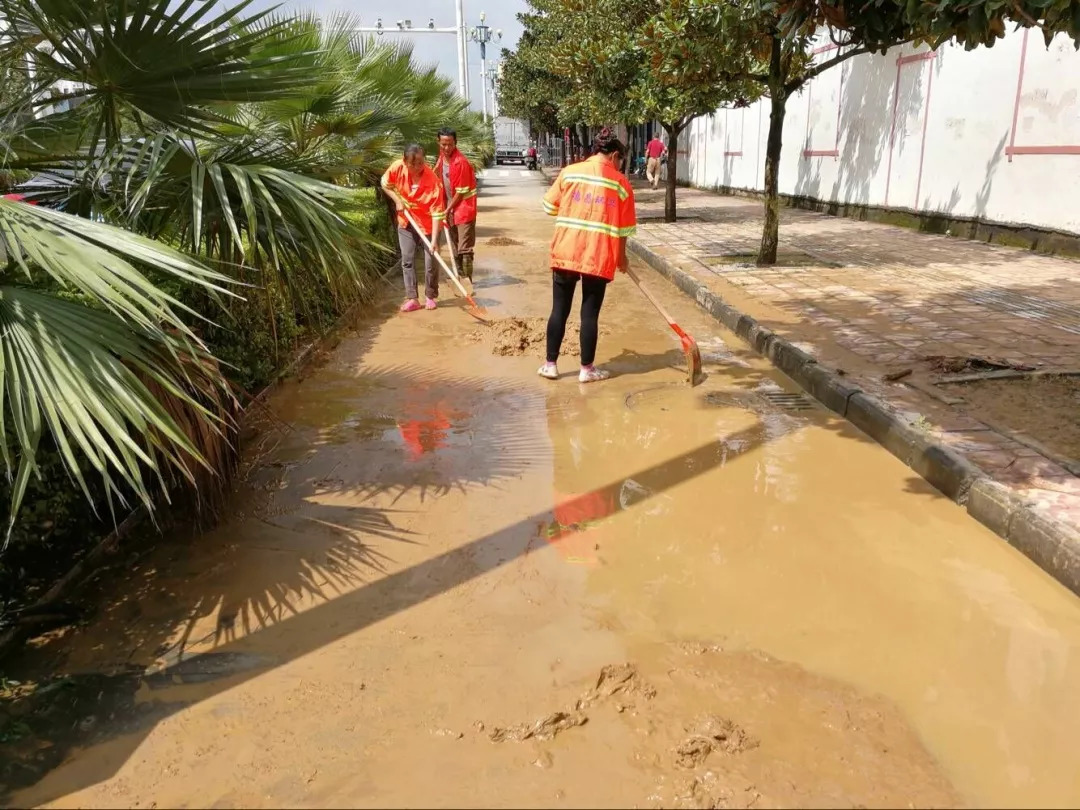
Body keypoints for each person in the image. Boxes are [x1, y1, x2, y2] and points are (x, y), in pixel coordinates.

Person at [539, 128, 636, 384]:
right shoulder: (621, 184)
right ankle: (587, 369)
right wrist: (621, 259)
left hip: (566, 251)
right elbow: (624, 230)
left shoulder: (569, 173)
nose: (620, 166)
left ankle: (550, 365)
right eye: (620, 161)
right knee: (589, 315)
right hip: (598, 255)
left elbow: (549, 206)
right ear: (615, 155)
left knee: (559, 309)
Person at [381, 144, 446, 313]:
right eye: (414, 164)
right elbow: (385, 183)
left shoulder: (432, 180)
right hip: (406, 222)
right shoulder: (397, 168)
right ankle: (413, 298)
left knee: (431, 260)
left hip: (428, 224)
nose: (418, 167)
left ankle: (430, 296)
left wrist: (433, 241)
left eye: (421, 163)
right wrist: (397, 200)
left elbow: (437, 212)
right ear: (405, 161)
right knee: (407, 260)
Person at [434, 127, 478, 290]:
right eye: (444, 144)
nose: (447, 148)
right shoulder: (441, 159)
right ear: (438, 142)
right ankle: (459, 277)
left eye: (450, 144)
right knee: (453, 247)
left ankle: (468, 282)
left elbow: (460, 192)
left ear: (455, 143)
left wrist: (447, 210)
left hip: (464, 209)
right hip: (449, 209)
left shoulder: (461, 162)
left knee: (464, 248)